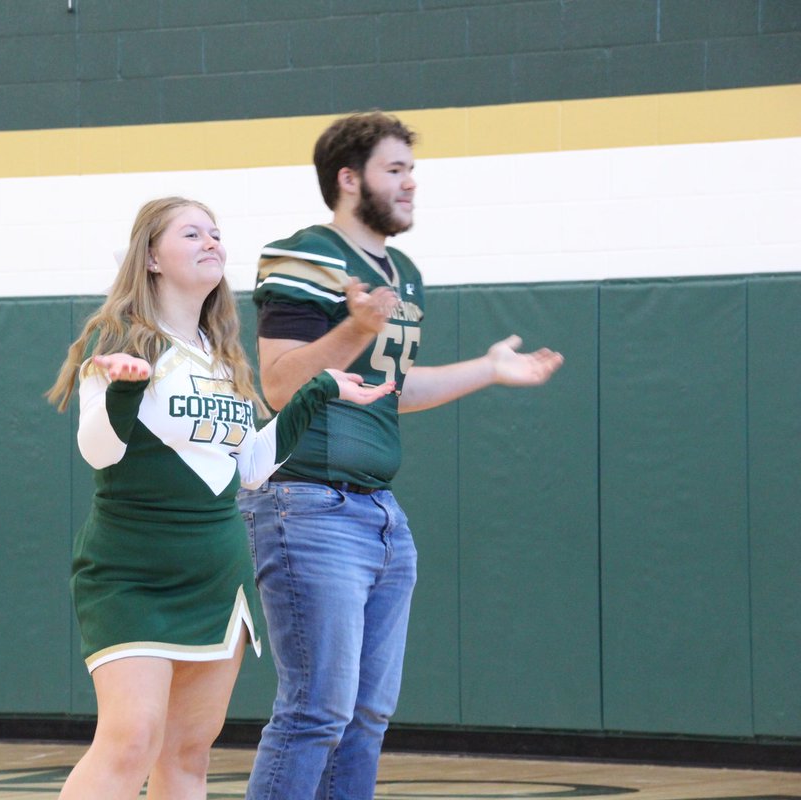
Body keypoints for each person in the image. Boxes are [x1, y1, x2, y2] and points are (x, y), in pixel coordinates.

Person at [238, 112, 565, 799]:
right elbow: (279, 382)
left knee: (365, 715)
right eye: (395, 170)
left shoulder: (402, 271)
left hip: (380, 515)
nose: (411, 183)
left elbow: (388, 390)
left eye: (411, 170)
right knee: (315, 712)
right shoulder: (305, 255)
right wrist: (354, 328)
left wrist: (488, 369)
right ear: (349, 179)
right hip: (306, 504)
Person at [45, 196, 397, 800]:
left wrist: (317, 392)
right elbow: (98, 451)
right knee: (130, 742)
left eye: (215, 233)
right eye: (192, 233)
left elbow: (253, 469)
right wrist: (125, 390)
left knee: (188, 755)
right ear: (151, 256)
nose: (212, 242)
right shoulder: (122, 337)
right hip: (134, 575)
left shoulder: (221, 355)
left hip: (218, 578)